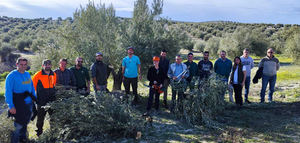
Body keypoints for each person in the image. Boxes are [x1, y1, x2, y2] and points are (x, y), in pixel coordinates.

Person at [5, 57, 37, 143]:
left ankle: (23, 140)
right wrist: (11, 106)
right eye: (21, 65)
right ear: (17, 65)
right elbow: (8, 92)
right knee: (17, 126)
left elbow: (32, 88)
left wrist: (34, 98)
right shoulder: (11, 76)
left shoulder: (27, 74)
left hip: (28, 104)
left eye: (25, 65)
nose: (23, 66)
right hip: (17, 105)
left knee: (25, 123)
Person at [32, 59, 56, 136]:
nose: (47, 66)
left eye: (49, 64)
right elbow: (32, 88)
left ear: (51, 65)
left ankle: (53, 133)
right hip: (41, 101)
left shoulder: (54, 74)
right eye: (46, 64)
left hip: (51, 100)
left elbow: (54, 85)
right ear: (42, 65)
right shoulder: (37, 75)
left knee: (53, 117)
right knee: (40, 119)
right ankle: (39, 133)